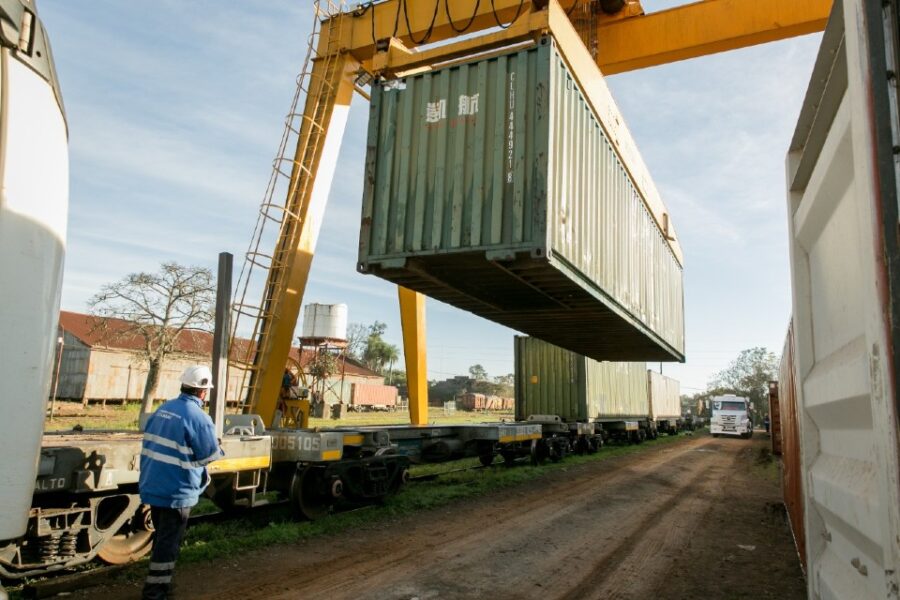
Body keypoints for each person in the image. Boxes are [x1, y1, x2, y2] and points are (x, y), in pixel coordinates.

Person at [139, 365, 224, 600]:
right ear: (203, 392)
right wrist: (218, 446)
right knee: (168, 544)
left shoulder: (163, 409)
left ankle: (160, 585)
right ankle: (155, 593)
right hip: (177, 492)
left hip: (154, 486)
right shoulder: (199, 418)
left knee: (161, 538)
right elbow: (208, 456)